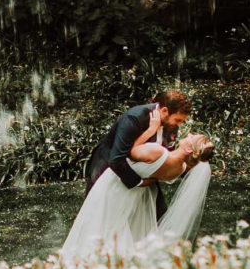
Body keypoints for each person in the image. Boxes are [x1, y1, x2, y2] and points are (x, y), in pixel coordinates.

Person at [62, 90, 214, 257]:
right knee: (100, 217)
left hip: (144, 170)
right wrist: (139, 182)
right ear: (164, 111)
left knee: (154, 214)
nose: (179, 126)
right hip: (108, 166)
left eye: (181, 121)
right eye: (177, 120)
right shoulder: (134, 117)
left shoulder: (171, 127)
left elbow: (165, 156)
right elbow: (117, 157)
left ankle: (135, 255)